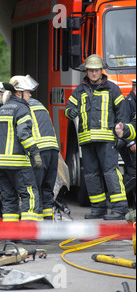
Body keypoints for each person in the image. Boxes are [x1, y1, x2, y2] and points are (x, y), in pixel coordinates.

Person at [65, 54, 128, 220]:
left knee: (110, 173)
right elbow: (68, 108)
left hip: (107, 140)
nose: (94, 73)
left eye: (97, 70)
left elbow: (122, 113)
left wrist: (122, 135)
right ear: (86, 71)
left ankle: (120, 209)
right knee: (91, 175)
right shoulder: (80, 90)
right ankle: (98, 208)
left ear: (101, 71)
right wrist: (69, 112)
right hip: (86, 141)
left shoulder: (113, 89)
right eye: (91, 70)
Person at [0, 75, 42, 222]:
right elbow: (24, 134)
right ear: (19, 93)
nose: (30, 95)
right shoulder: (22, 109)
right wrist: (35, 153)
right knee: (29, 195)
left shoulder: (1, 110)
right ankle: (27, 232)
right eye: (28, 92)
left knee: (9, 198)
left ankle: (11, 235)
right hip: (18, 163)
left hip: (0, 165)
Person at [28, 97, 60, 220]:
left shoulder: (20, 108)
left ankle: (37, 226)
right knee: (47, 190)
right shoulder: (40, 104)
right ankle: (47, 225)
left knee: (35, 190)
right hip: (53, 150)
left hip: (39, 152)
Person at [114, 79, 136, 208]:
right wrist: (131, 143)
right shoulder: (127, 103)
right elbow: (123, 125)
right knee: (133, 173)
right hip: (128, 145)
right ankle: (114, 201)